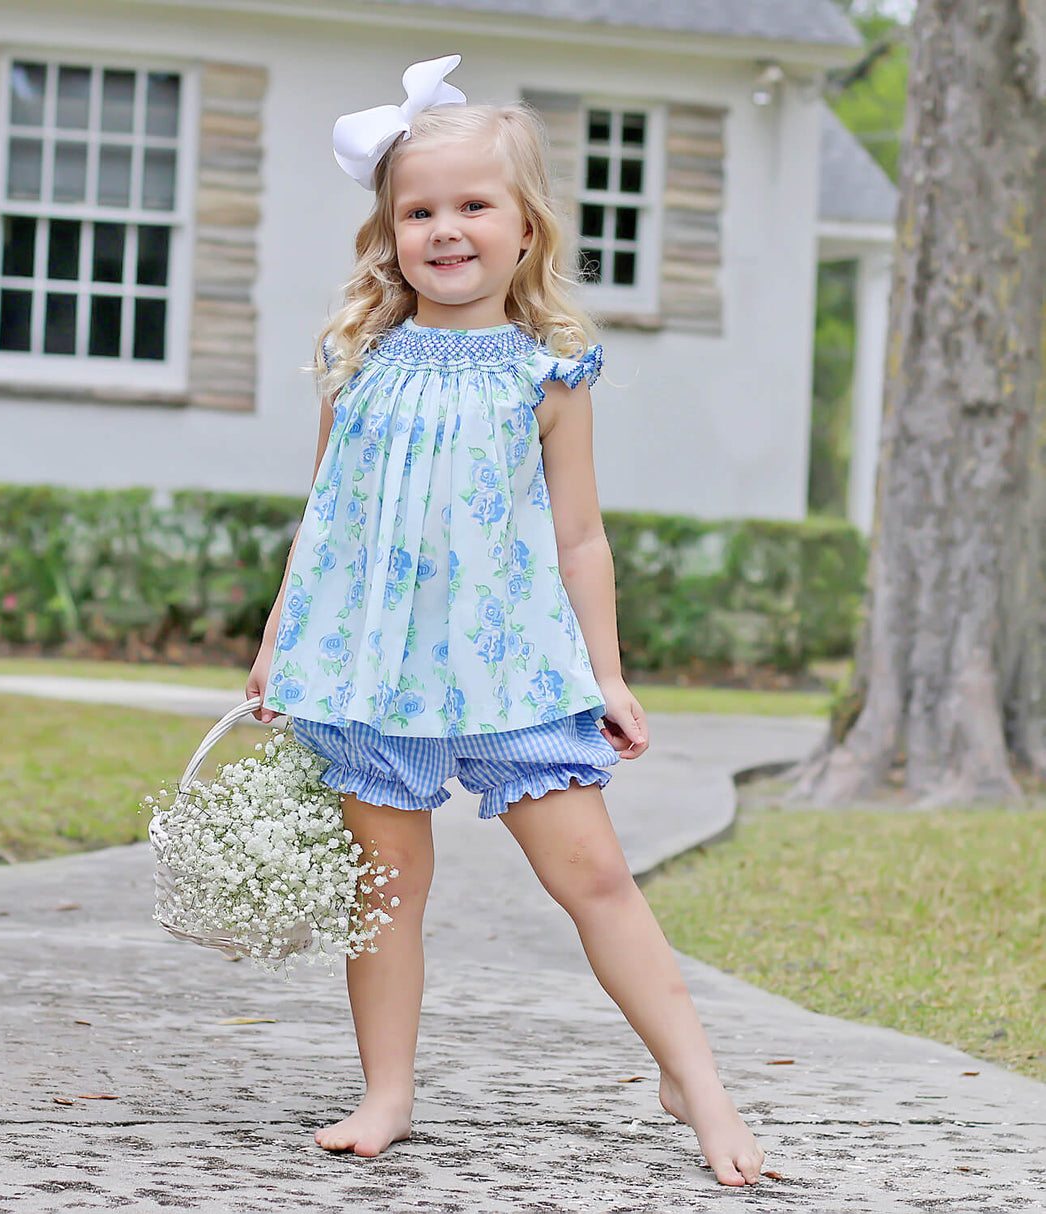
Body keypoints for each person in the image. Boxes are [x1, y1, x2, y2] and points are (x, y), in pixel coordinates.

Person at [246, 55, 764, 1187]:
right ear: (388, 233)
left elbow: (579, 537)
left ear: (525, 228)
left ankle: (699, 1082)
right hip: (374, 667)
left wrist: (607, 675)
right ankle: (386, 1089)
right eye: (417, 209)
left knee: (594, 877)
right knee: (386, 885)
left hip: (514, 665)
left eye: (472, 204)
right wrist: (284, 634)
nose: (444, 228)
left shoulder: (550, 373)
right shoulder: (355, 360)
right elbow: (324, 513)